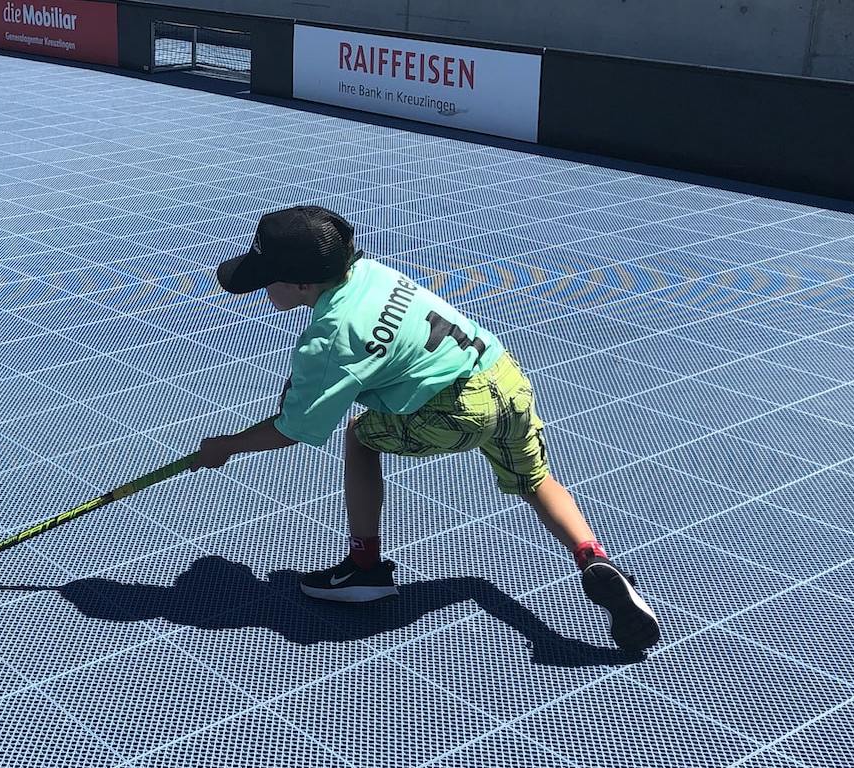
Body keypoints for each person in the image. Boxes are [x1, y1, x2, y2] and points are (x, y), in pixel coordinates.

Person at [190, 205, 662, 652]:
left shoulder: (330, 339)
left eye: (266, 280)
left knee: (360, 436)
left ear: (300, 284)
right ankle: (592, 556)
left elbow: (292, 430)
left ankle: (364, 568)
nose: (262, 290)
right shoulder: (371, 272)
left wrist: (226, 446)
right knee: (535, 480)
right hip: (500, 374)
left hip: (454, 412)